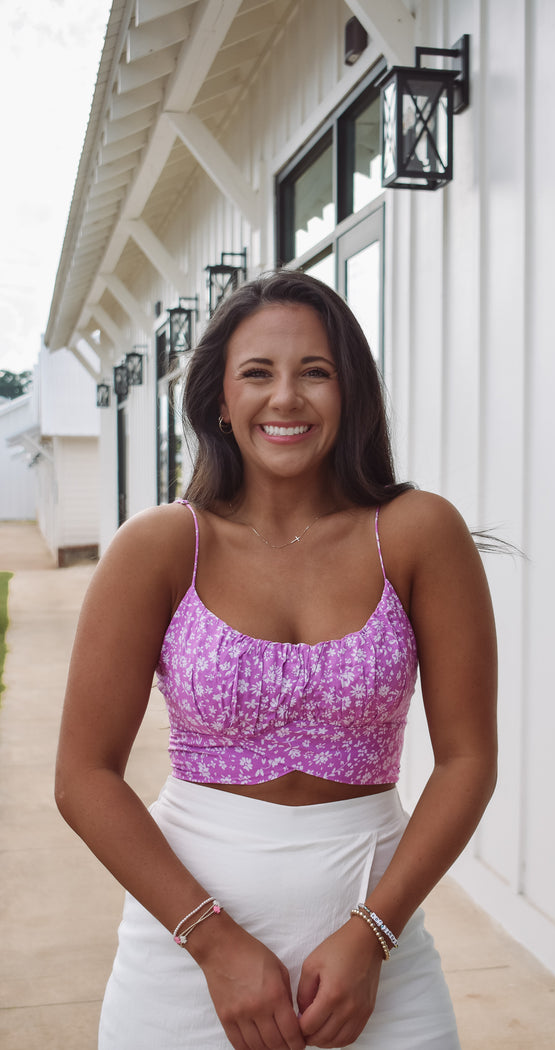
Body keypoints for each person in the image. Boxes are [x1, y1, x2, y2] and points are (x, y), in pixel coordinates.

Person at [55, 269, 498, 1050]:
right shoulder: (160, 547)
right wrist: (214, 944)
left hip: (378, 957)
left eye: (315, 373)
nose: (286, 398)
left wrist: (375, 935)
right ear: (220, 401)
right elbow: (84, 776)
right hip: (185, 963)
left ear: (350, 392)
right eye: (257, 373)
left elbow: (468, 760)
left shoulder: (418, 534)